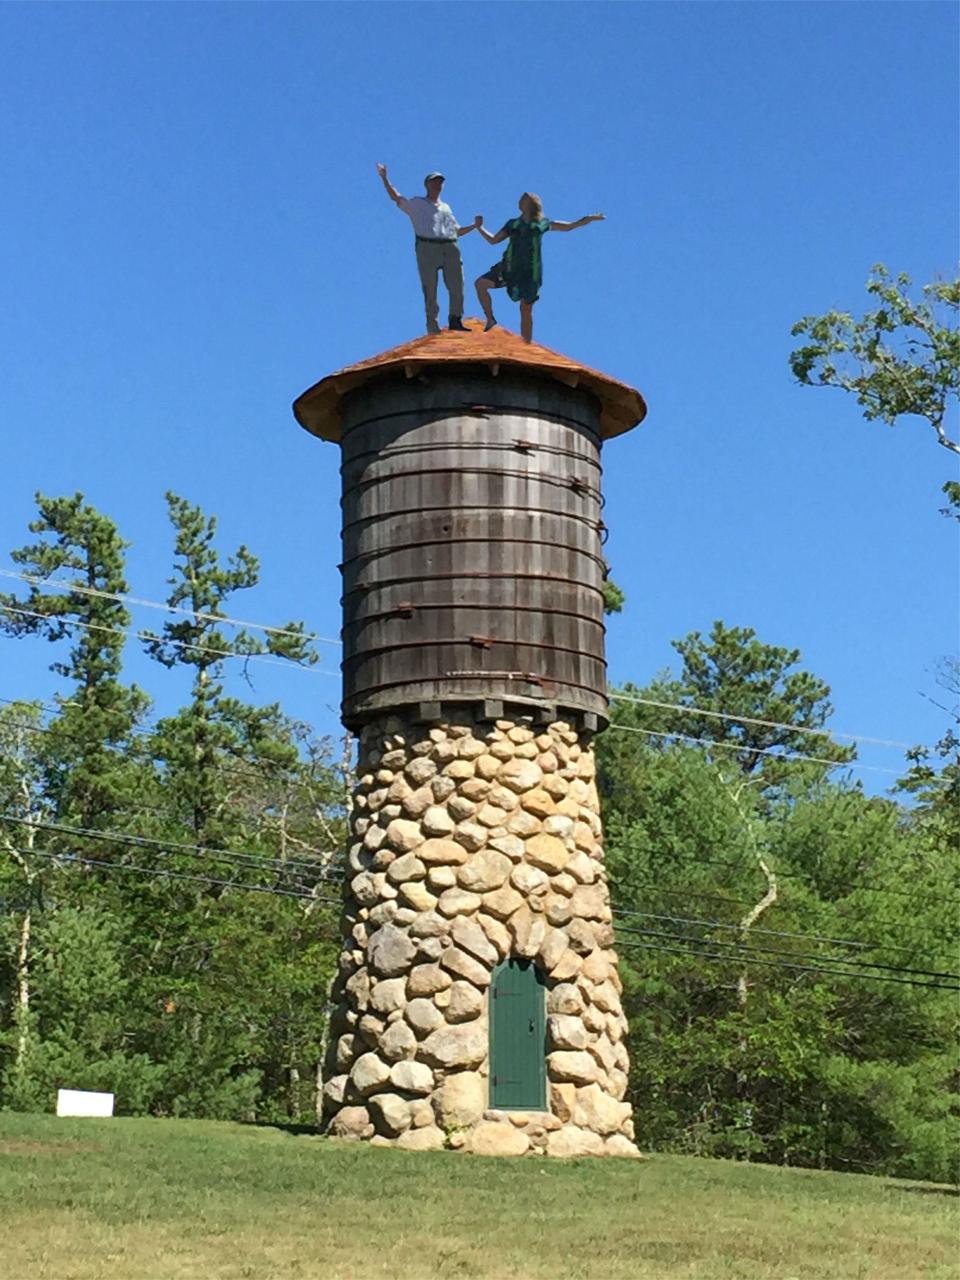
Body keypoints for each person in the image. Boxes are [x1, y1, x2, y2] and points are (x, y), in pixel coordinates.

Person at [475, 194, 605, 342]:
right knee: (480, 284)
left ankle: (526, 344)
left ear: (528, 204)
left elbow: (568, 227)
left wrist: (586, 219)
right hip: (509, 268)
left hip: (529, 272)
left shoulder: (541, 223)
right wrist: (480, 228)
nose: (518, 202)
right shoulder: (512, 224)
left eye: (522, 200)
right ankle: (490, 319)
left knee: (526, 309)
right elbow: (493, 240)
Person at [376, 163, 480, 335]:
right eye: (434, 182)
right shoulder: (418, 203)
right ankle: (433, 325)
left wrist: (474, 226)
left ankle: (455, 319)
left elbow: (457, 230)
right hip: (427, 246)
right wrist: (385, 178)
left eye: (440, 182)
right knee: (430, 288)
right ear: (427, 185)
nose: (437, 185)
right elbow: (397, 198)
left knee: (457, 285)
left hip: (449, 245)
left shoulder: (446, 208)